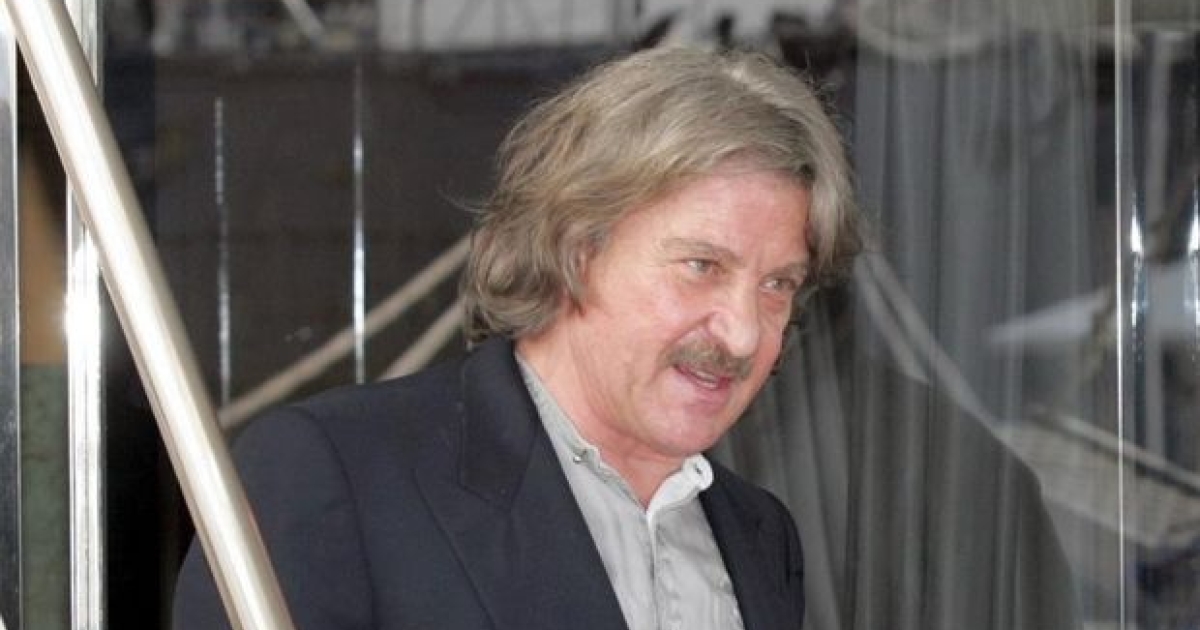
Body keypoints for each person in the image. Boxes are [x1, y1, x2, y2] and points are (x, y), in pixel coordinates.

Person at [174, 45, 862, 630]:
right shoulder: (334, 477)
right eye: (701, 267)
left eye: (778, 285)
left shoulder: (759, 535)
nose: (742, 334)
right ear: (575, 249)